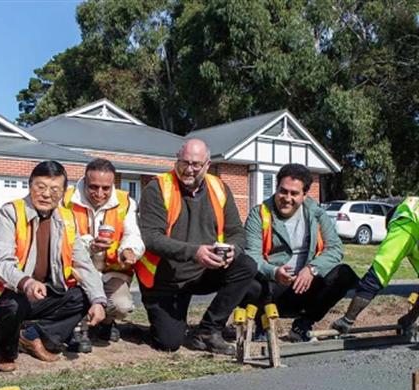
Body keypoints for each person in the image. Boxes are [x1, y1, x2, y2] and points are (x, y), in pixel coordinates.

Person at [0, 161, 107, 372]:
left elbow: (83, 263)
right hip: (6, 292)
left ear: (63, 192)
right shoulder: (10, 213)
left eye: (54, 189)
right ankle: (4, 351)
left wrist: (98, 300)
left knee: (81, 296)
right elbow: (1, 262)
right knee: (14, 304)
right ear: (30, 185)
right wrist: (26, 282)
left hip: (42, 292)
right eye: (41, 187)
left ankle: (33, 335)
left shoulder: (67, 218)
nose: (46, 194)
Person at [137, 139, 256, 355]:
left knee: (246, 266)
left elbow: (237, 232)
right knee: (169, 342)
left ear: (207, 165)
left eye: (196, 164)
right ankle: (152, 327)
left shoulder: (220, 188)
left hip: (204, 272)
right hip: (165, 279)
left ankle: (209, 330)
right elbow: (151, 237)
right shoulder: (157, 188)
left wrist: (233, 250)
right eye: (184, 162)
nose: (188, 169)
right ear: (177, 159)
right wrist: (194, 252)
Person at [244, 164, 358, 341]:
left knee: (344, 274)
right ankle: (262, 324)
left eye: (294, 193)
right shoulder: (259, 214)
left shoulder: (317, 214)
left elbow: (335, 249)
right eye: (283, 191)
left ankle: (303, 324)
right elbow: (252, 255)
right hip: (272, 288)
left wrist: (312, 269)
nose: (287, 198)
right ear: (276, 188)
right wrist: (274, 271)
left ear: (304, 195)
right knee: (247, 276)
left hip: (305, 286)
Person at [62, 158, 144, 349]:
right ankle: (77, 329)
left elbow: (133, 234)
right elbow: (63, 240)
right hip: (77, 270)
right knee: (78, 296)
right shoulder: (66, 200)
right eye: (94, 187)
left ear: (113, 184)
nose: (100, 194)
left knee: (122, 305)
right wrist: (90, 246)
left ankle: (106, 322)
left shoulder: (125, 202)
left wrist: (129, 250)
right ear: (84, 180)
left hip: (110, 271)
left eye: (106, 188)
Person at [332, 196, 419, 332]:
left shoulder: (404, 220)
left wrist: (347, 319)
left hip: (408, 219)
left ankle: (347, 320)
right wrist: (410, 318)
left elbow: (378, 273)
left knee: (377, 275)